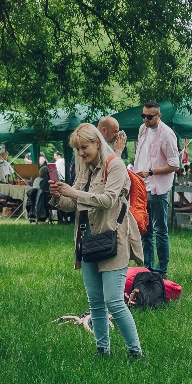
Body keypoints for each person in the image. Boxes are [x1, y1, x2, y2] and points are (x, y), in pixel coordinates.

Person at [50, 123, 144, 358]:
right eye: (78, 149)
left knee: (114, 301)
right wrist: (58, 196)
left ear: (97, 143)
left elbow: (107, 200)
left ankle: (136, 353)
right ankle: (102, 350)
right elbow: (74, 205)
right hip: (88, 239)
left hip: (114, 237)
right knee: (95, 301)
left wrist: (73, 192)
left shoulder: (116, 166)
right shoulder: (86, 168)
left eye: (85, 148)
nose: (81, 153)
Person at [133, 102, 180, 276]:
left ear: (159, 116)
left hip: (158, 189)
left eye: (149, 116)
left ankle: (162, 270)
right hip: (141, 187)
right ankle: (147, 268)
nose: (146, 119)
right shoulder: (142, 130)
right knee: (144, 229)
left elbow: (175, 165)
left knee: (160, 231)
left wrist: (150, 172)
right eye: (143, 116)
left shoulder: (167, 134)